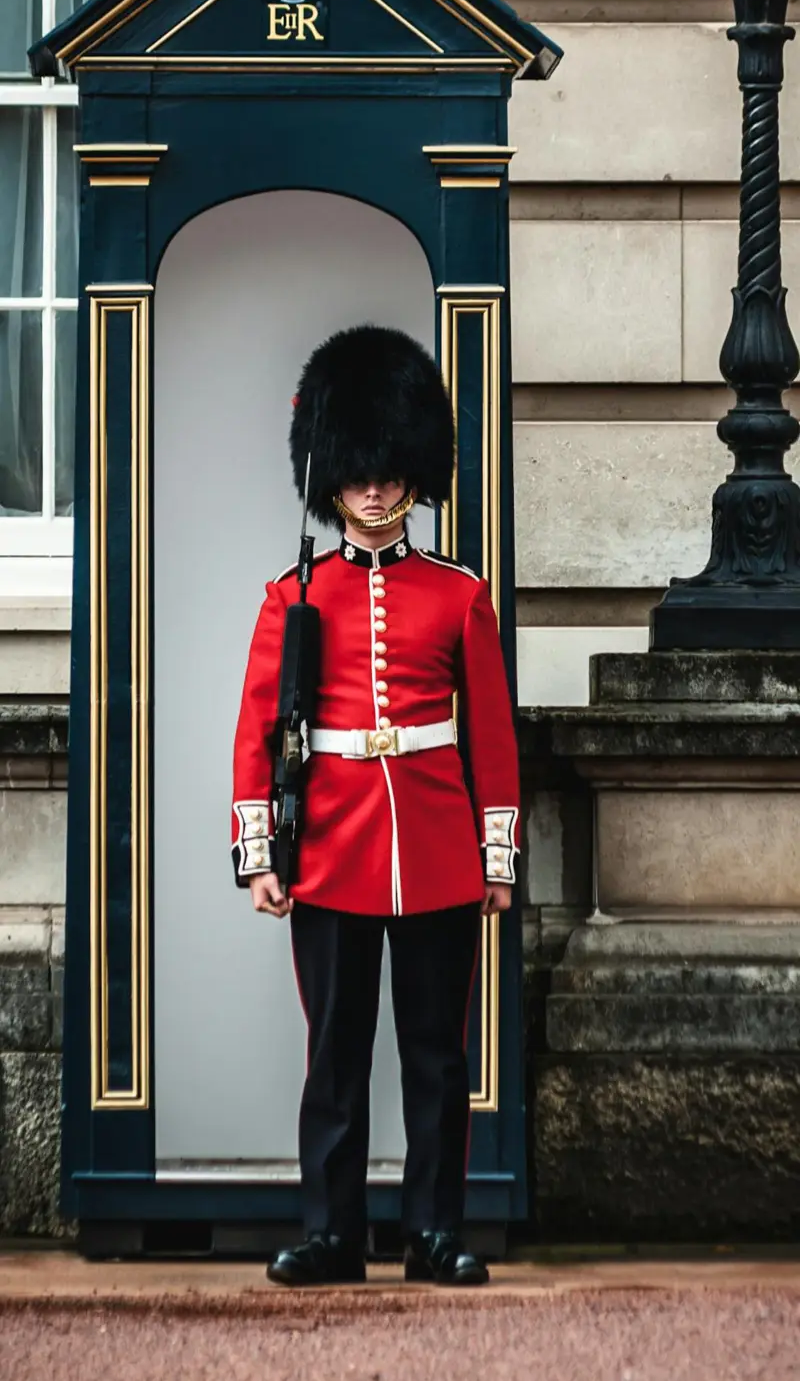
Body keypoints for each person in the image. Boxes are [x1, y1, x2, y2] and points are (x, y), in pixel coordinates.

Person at [231, 324, 520, 1288]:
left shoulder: (458, 595)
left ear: (410, 469)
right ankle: (334, 1233)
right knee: (336, 1058)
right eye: (357, 471)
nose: (375, 489)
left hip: (436, 845)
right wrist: (261, 853)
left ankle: (433, 1232)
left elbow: (490, 738)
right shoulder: (291, 598)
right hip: (332, 849)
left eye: (390, 470)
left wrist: (497, 857)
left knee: (437, 1059)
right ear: (333, 472)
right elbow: (259, 734)